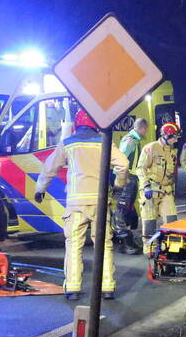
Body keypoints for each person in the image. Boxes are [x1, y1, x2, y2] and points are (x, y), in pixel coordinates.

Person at [35, 109, 128, 299]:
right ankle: (107, 287)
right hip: (99, 202)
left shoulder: (68, 143)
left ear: (77, 124)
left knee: (74, 244)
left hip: (76, 203)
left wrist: (40, 189)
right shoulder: (105, 142)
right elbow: (124, 164)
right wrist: (119, 184)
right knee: (104, 244)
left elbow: (50, 167)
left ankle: (73, 288)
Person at [137, 122, 180, 253]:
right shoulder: (151, 148)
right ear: (165, 135)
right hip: (151, 190)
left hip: (166, 191)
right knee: (150, 221)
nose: (176, 140)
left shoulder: (172, 151)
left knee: (171, 219)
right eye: (174, 137)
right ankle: (149, 248)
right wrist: (146, 186)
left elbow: (171, 173)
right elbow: (141, 168)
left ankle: (171, 249)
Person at [114, 117, 148, 254]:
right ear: (142, 128)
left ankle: (127, 240)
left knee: (128, 210)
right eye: (146, 129)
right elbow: (120, 161)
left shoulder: (135, 140)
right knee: (122, 210)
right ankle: (125, 242)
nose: (146, 132)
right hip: (127, 179)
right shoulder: (130, 141)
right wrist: (121, 180)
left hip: (131, 179)